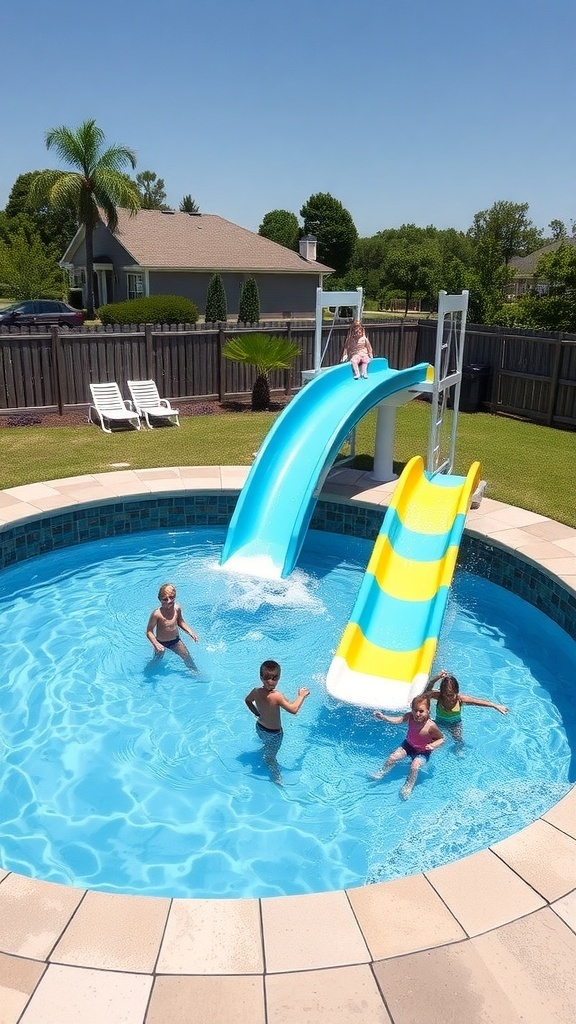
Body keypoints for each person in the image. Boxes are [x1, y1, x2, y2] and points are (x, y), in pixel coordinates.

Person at [244, 660, 310, 784]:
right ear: (261, 678)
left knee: (267, 745)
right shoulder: (277, 696)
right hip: (274, 734)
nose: (271, 682)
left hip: (260, 728)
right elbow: (294, 709)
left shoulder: (256, 691)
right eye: (268, 678)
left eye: (273, 678)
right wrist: (301, 696)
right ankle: (276, 777)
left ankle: (266, 750)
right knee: (271, 758)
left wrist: (256, 712)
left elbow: (248, 700)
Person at [370, 694, 444, 799]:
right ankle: (381, 773)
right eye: (415, 710)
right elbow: (398, 720)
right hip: (408, 745)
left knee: (414, 766)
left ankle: (409, 786)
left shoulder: (431, 726)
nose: (417, 714)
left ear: (428, 711)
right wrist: (384, 717)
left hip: (423, 751)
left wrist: (433, 745)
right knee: (393, 757)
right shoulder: (410, 716)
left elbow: (441, 739)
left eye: (421, 711)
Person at [425, 670, 509, 746]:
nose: (448, 698)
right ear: (442, 692)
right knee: (427, 735)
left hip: (455, 725)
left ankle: (459, 750)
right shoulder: (439, 696)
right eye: (445, 694)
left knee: (458, 740)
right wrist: (435, 679)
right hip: (439, 723)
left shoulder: (460, 699)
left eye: (451, 695)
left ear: (457, 692)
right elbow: (426, 693)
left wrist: (495, 705)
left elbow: (478, 702)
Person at [146, 582, 199, 670]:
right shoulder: (156, 614)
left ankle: (195, 672)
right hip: (161, 642)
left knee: (187, 657)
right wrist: (155, 643)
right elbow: (149, 631)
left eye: (172, 597)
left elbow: (180, 621)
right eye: (165, 599)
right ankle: (147, 671)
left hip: (175, 641)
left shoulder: (177, 608)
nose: (169, 601)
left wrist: (190, 632)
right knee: (156, 660)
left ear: (175, 596)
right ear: (160, 599)